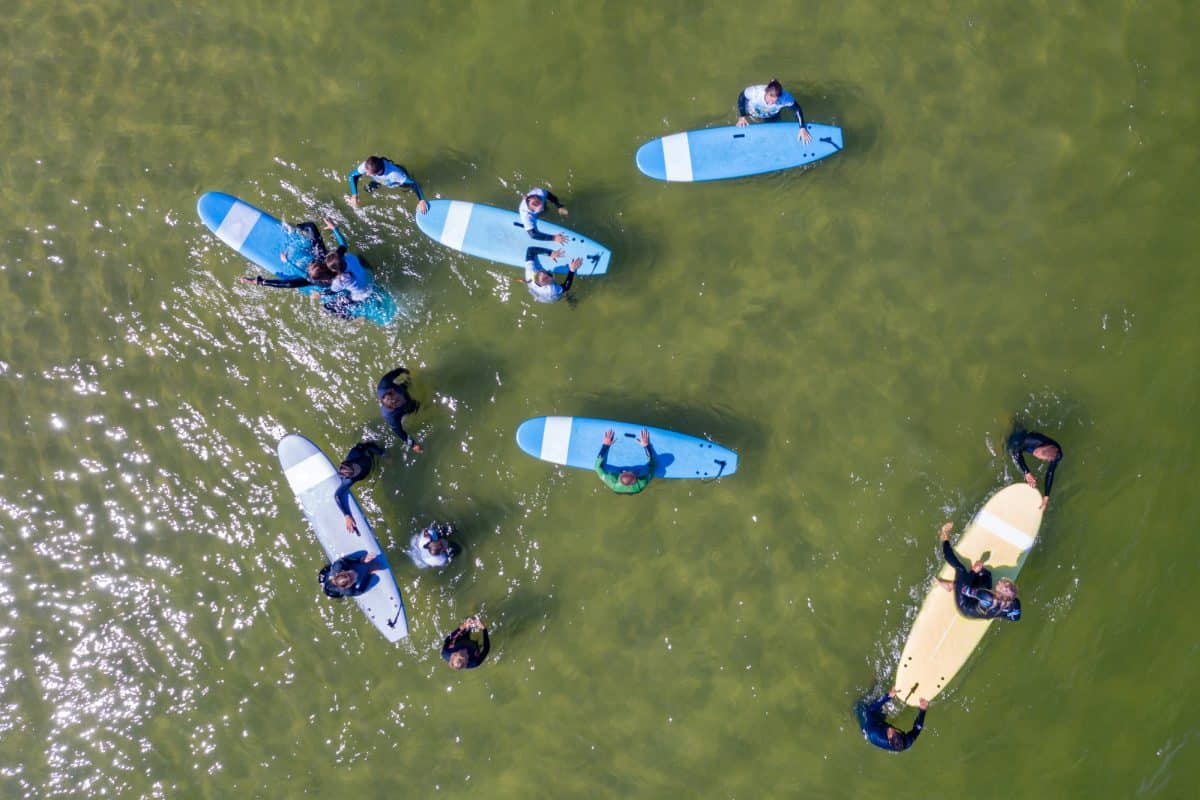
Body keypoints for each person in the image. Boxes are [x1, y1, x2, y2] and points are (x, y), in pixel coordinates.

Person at [934, 522, 1022, 621]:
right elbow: (1016, 618)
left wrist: (973, 571)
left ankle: (944, 537)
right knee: (986, 574)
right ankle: (952, 585)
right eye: (1006, 582)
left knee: (961, 570)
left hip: (965, 605)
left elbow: (963, 588)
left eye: (1002, 584)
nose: (1001, 581)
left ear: (1000, 594)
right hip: (979, 606)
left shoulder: (986, 596)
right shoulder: (1015, 604)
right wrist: (998, 614)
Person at [735, 78, 812, 144]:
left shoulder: (785, 98)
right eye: (770, 98)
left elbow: (797, 109)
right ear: (766, 92)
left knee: (771, 134)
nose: (771, 103)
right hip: (753, 113)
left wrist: (802, 127)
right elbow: (742, 97)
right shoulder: (755, 92)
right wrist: (742, 116)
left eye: (775, 100)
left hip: (772, 115)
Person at [333, 441, 386, 535]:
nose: (357, 469)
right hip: (366, 471)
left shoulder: (355, 453)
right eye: (355, 472)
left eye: (355, 468)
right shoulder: (349, 481)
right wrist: (346, 515)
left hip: (368, 456)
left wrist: (383, 454)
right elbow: (337, 496)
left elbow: (369, 447)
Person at [346, 155, 429, 214]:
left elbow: (414, 183)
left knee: (407, 188)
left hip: (395, 181)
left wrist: (421, 200)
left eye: (368, 173)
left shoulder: (395, 174)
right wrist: (354, 194)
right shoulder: (366, 166)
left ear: (378, 172)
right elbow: (352, 175)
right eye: (366, 171)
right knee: (367, 189)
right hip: (380, 180)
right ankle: (378, 182)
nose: (366, 174)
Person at [857, 689, 928, 752]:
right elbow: (917, 728)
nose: (890, 730)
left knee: (860, 704)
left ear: (889, 742)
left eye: (889, 734)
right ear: (900, 733)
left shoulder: (874, 733)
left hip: (868, 726)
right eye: (894, 732)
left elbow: (869, 711)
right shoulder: (907, 741)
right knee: (878, 708)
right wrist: (923, 710)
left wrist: (887, 696)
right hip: (879, 725)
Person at [1008, 430, 1062, 511]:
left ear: (1047, 460)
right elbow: (1016, 452)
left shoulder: (1056, 456)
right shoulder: (1032, 440)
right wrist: (1027, 473)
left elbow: (1050, 473)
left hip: (1033, 446)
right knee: (1011, 446)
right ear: (1042, 446)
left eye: (1037, 454)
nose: (1035, 453)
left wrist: (1046, 496)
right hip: (1022, 439)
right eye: (1037, 451)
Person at [377, 367, 424, 452]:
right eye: (397, 402)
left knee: (406, 384)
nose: (400, 400)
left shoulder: (384, 384)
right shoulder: (391, 417)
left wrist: (404, 370)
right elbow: (400, 433)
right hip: (403, 409)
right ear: (393, 407)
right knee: (415, 406)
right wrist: (413, 444)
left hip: (401, 389)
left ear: (392, 390)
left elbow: (394, 373)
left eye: (397, 398)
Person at [595, 429, 656, 494]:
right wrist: (646, 446)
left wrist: (605, 445)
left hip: (617, 489)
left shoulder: (612, 482)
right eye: (635, 472)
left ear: (623, 471)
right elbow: (653, 466)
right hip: (636, 490)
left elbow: (597, 467)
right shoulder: (641, 483)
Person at [318, 551, 383, 599]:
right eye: (352, 579)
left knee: (334, 566)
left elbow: (343, 560)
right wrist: (369, 573)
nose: (353, 574)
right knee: (336, 594)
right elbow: (360, 591)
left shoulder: (338, 565)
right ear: (348, 586)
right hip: (331, 591)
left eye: (348, 574)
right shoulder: (346, 591)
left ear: (343, 571)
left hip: (327, 574)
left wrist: (360, 560)